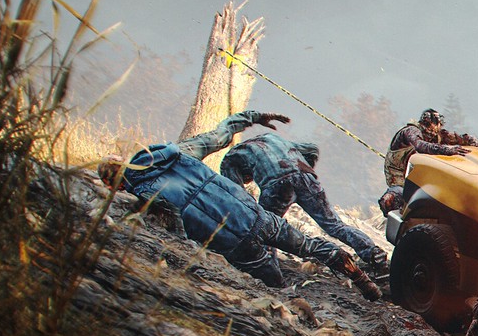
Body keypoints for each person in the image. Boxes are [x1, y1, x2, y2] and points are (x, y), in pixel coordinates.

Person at [96, 111, 381, 300]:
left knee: (275, 287)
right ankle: (360, 276)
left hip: (230, 242)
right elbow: (218, 136)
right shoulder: (175, 153)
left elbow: (173, 227)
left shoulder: (139, 196)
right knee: (310, 244)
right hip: (254, 215)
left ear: (112, 185)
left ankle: (297, 306)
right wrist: (252, 116)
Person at [220, 129, 389, 274]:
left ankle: (269, 271)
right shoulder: (271, 138)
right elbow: (312, 149)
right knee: (335, 225)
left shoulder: (230, 158)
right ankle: (374, 255)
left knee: (267, 229)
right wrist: (305, 169)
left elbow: (239, 197)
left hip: (276, 184)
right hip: (306, 177)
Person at [376, 109, 478, 214]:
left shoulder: (436, 135)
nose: (439, 126)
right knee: (395, 197)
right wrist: (446, 150)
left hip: (417, 175)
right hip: (398, 176)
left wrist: (474, 141)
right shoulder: (410, 131)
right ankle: (388, 206)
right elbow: (420, 146)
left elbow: (457, 138)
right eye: (438, 123)